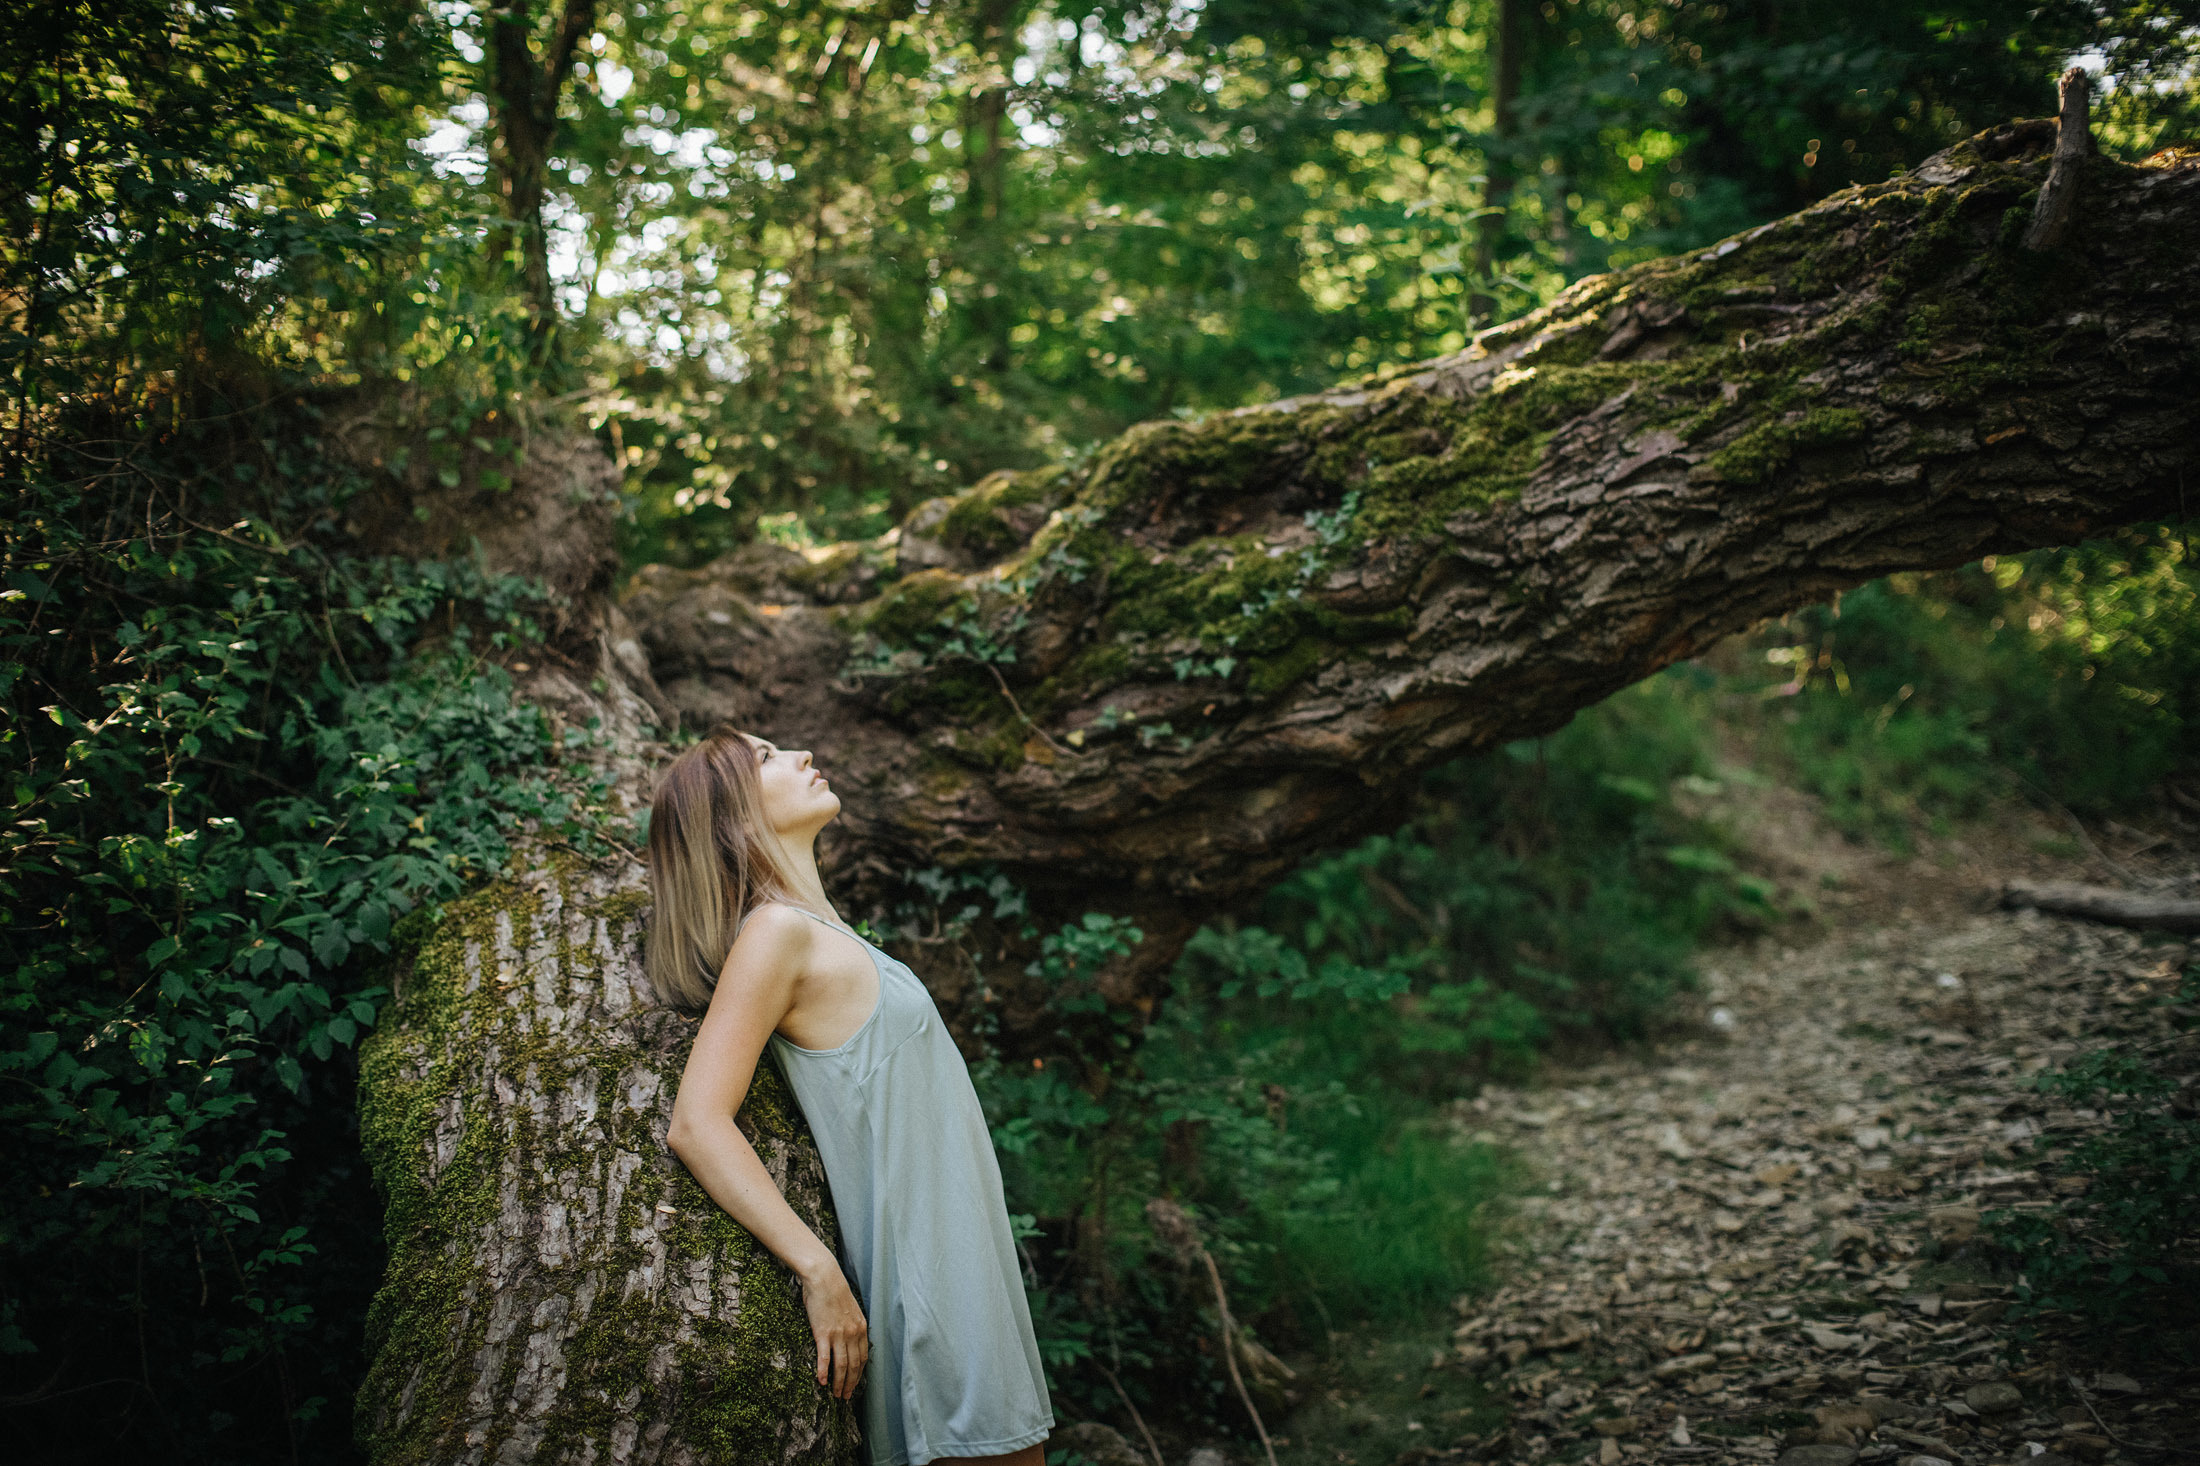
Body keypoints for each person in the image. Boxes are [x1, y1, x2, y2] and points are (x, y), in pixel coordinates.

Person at [645, 726, 1053, 1466]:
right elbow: (696, 1122)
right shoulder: (775, 935)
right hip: (929, 1281)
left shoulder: (827, 935)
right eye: (766, 757)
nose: (800, 753)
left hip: (968, 1267)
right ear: (732, 816)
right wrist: (817, 1270)